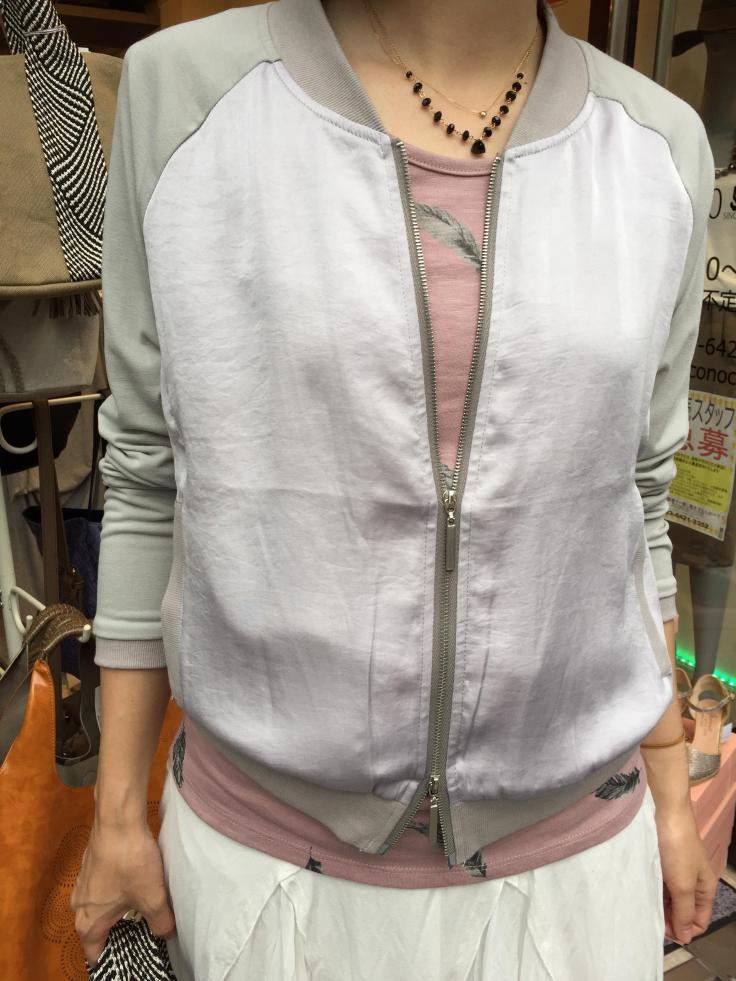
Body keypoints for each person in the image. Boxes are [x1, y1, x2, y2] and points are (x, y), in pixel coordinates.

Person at [71, 0, 720, 977]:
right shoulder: (186, 97)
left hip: (573, 876)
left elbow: (636, 499)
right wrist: (117, 813)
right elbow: (149, 467)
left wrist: (670, 793)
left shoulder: (657, 148)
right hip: (269, 880)